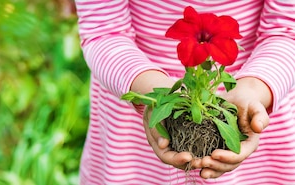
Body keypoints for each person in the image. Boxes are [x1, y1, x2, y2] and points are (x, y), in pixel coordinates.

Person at [76, 1, 295, 184]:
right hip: (138, 109)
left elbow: (287, 31)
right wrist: (158, 97)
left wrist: (253, 91)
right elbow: (103, 30)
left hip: (255, 97)